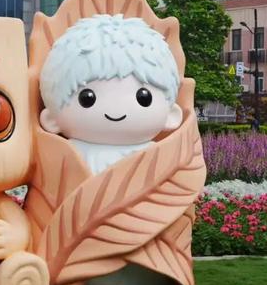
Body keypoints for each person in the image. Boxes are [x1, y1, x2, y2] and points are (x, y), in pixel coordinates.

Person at [39, 14, 182, 175]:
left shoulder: (159, 156)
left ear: (172, 115)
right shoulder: (66, 155)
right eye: (87, 98)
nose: (116, 108)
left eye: (143, 98)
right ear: (51, 120)